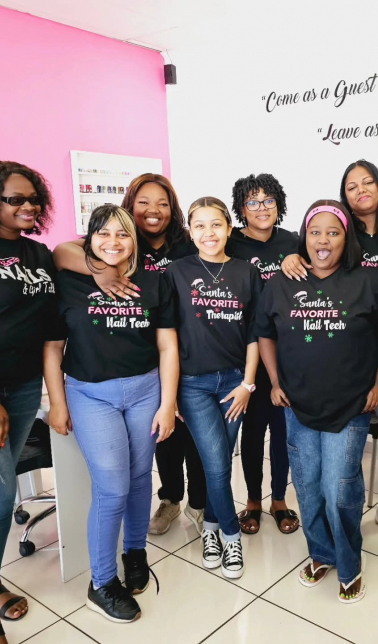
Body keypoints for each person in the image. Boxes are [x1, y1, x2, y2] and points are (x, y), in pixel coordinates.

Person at [256, 200, 378, 603]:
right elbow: (264, 332)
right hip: (297, 404)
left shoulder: (367, 281)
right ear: (304, 237)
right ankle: (321, 553)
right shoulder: (283, 281)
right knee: (307, 485)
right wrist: (274, 381)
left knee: (339, 488)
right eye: (315, 232)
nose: (323, 240)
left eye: (333, 232)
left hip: (350, 405)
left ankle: (349, 561)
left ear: (346, 238)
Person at [43, 205, 178, 624]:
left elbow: (167, 346)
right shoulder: (69, 280)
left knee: (139, 479)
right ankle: (101, 583)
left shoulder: (153, 280)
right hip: (91, 394)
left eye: (122, 234)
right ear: (89, 239)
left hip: (145, 391)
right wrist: (58, 403)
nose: (113, 242)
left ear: (134, 240)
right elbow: (52, 348)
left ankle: (135, 552)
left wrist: (168, 403)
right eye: (103, 234)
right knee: (113, 487)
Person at [53, 174, 206, 537]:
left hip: (194, 354)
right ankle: (170, 498)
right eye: (144, 202)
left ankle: (200, 504)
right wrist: (101, 270)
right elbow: (61, 252)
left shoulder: (185, 245)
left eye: (163, 203)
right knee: (163, 437)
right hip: (148, 360)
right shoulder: (119, 241)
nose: (154, 210)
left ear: (173, 209)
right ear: (129, 206)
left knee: (196, 437)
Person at [281, 161, 378, 538]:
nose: (361, 190)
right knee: (333, 465)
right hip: (348, 358)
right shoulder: (336, 233)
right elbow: (308, 258)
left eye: (368, 181)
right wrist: (292, 257)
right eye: (352, 185)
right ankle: (336, 528)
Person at [165, 197, 261, 579]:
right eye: (200, 225)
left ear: (229, 228)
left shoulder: (246, 272)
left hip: (235, 383)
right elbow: (168, 337)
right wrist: (170, 392)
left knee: (218, 461)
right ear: (190, 231)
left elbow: (255, 333)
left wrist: (248, 384)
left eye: (216, 224)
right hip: (193, 385)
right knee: (217, 463)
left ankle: (210, 527)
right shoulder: (176, 272)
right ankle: (230, 536)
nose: (209, 233)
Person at [0, 161, 56, 644]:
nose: (28, 206)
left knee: (1, 492)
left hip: (23, 386)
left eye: (33, 198)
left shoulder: (38, 253)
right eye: (15, 199)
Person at [228, 174, 299, 535]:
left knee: (283, 430)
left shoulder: (293, 242)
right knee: (253, 431)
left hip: (287, 351)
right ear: (241, 209)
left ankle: (279, 499)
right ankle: (253, 500)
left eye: (268, 201)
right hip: (246, 353)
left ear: (278, 204)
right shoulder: (230, 242)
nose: (261, 208)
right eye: (253, 202)